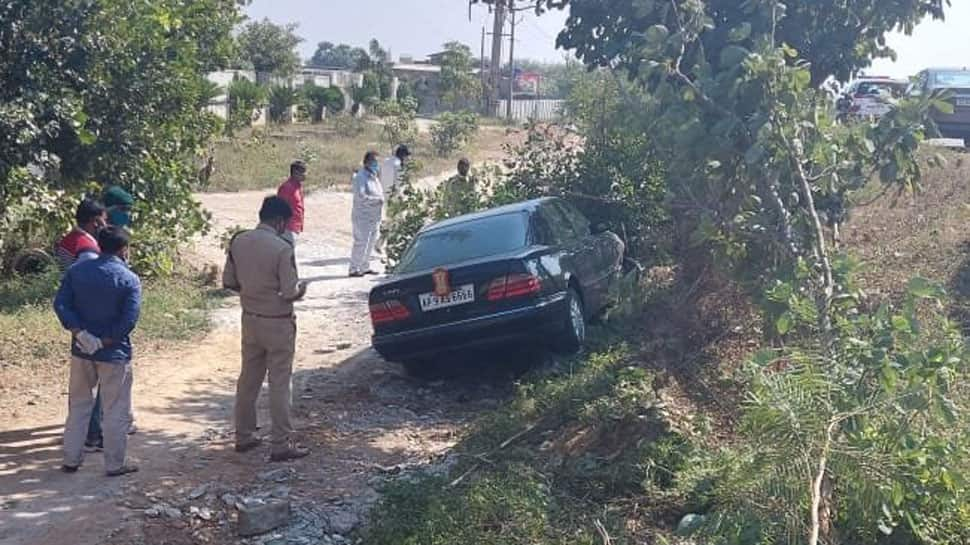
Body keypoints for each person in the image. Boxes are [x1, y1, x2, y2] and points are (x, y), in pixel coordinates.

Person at [223, 196, 309, 462]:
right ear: (280, 221)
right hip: (278, 321)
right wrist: (300, 292)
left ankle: (244, 435)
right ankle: (281, 442)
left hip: (250, 318)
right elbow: (288, 291)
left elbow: (229, 281)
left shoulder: (238, 240)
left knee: (248, 379)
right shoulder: (282, 248)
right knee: (280, 382)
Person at [54, 226, 141, 477]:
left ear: (99, 245)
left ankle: (71, 459)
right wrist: (104, 341)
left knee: (79, 405)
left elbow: (61, 303)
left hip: (81, 349)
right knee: (115, 409)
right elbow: (129, 320)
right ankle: (115, 463)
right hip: (114, 353)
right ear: (124, 249)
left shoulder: (77, 271)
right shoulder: (129, 279)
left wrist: (79, 332)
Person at [349, 151, 384, 278]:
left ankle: (365, 266)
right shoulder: (360, 177)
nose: (377, 164)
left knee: (371, 241)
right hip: (362, 216)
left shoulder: (374, 176)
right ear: (367, 162)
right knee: (361, 242)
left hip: (374, 216)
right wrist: (376, 201)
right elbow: (361, 196)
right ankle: (354, 268)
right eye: (374, 161)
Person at [54, 198, 106, 270]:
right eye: (104, 219)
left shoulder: (69, 238)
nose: (105, 224)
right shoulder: (89, 250)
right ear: (95, 221)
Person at [276, 160, 307, 245]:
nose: (305, 175)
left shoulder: (298, 187)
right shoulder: (286, 188)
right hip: (287, 228)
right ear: (296, 173)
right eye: (303, 172)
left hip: (295, 227)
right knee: (287, 254)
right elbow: (280, 207)